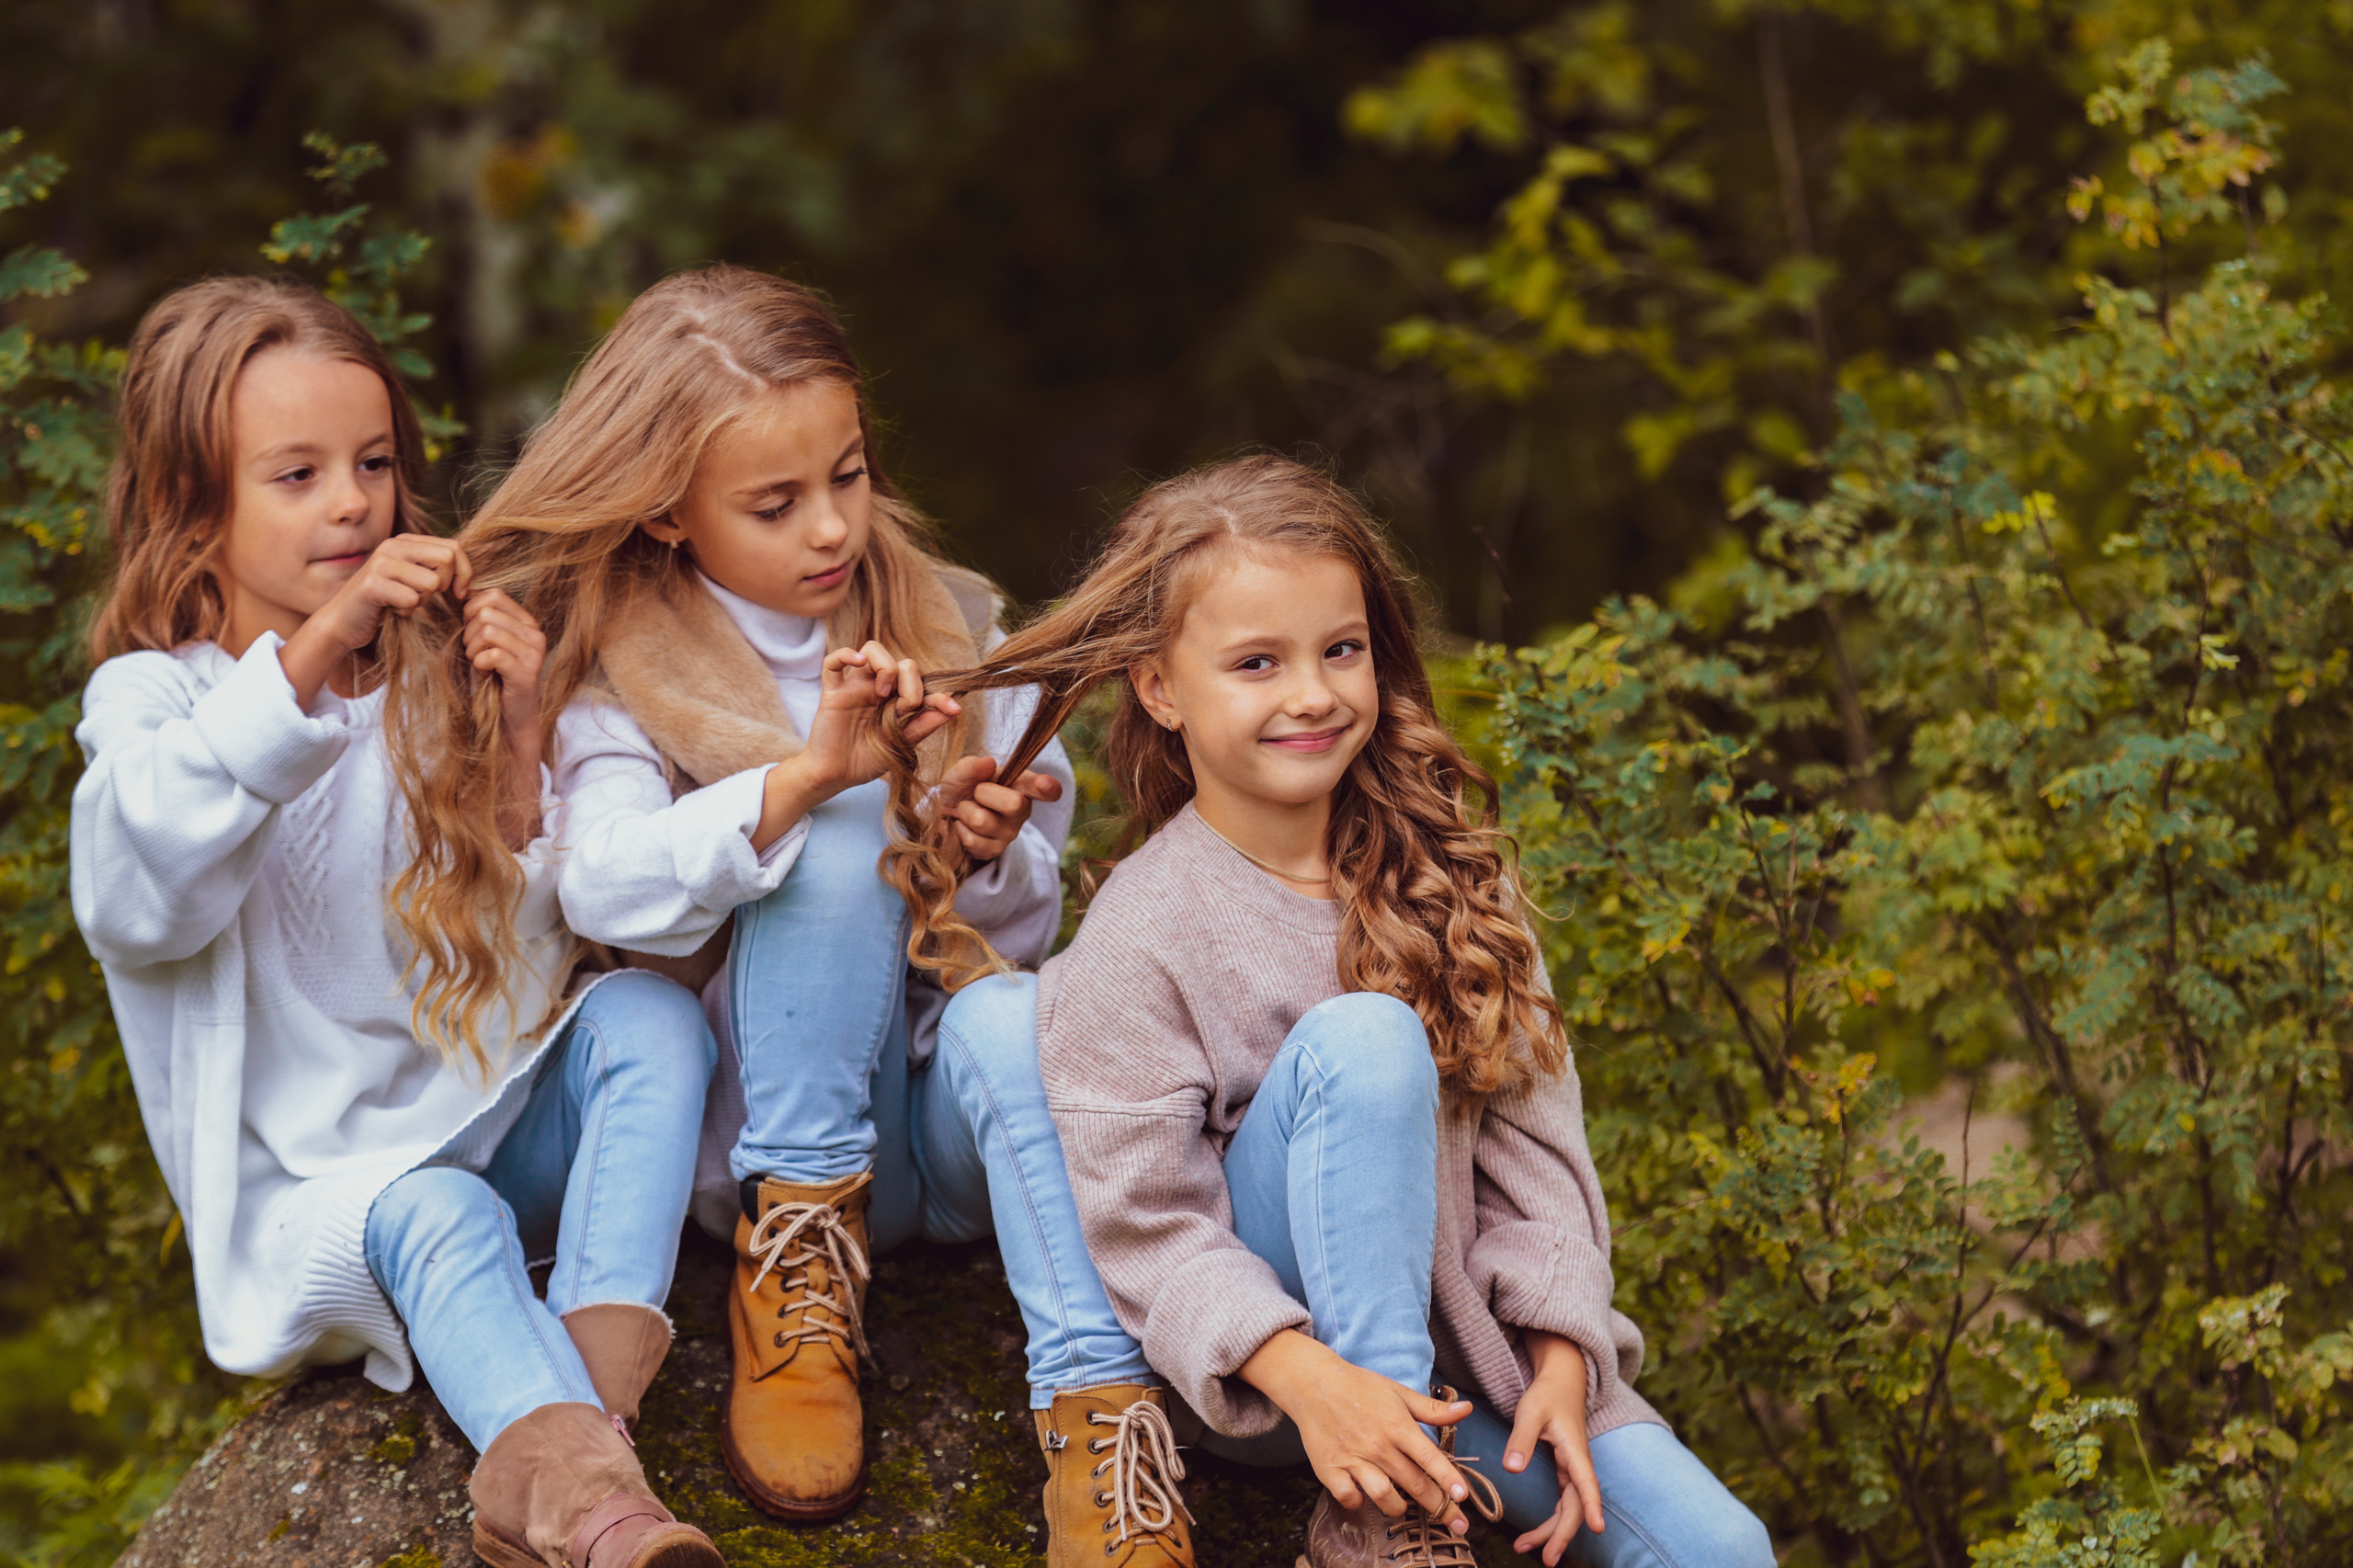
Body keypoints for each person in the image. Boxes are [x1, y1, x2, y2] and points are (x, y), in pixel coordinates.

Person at [387, 266, 1191, 1564]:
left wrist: (977, 852)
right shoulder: (617, 659)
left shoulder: (952, 618)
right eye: (774, 503)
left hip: (925, 1141)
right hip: (752, 1139)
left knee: (1010, 1014)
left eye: (849, 476)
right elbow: (603, 884)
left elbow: (1015, 931)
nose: (831, 528)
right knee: (832, 823)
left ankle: (1097, 1413)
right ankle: (799, 1263)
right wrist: (809, 777)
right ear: (666, 511)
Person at [909, 455, 1777, 1568]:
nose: (1313, 693)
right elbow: (1147, 1222)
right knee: (1368, 1037)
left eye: (1341, 649)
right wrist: (1308, 1376)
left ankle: (1429, 1456)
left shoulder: (1450, 873)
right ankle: (1381, 1522)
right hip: (1283, 1376)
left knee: (1724, 1547)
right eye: (1256, 662)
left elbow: (1538, 1151)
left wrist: (1563, 1355)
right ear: (1160, 688)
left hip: (1472, 1367)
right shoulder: (1141, 928)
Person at [71, 276, 724, 1568]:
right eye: (297, 474)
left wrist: (522, 736)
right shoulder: (153, 702)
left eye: (373, 463)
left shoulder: (431, 684)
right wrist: (317, 648)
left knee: (648, 1018)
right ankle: (596, 1514)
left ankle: (590, 1423)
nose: (352, 502)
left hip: (480, 1126)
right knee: (441, 1212)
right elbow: (141, 900)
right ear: (192, 503)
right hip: (320, 1202)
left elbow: (511, 983)